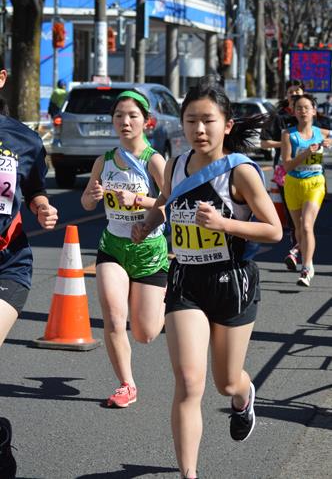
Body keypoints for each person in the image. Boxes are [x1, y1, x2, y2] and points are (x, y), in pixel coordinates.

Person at [132, 77, 282, 479]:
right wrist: (149, 221)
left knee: (225, 382)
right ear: (181, 124)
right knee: (188, 382)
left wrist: (224, 224)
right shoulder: (177, 164)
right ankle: (189, 474)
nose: (199, 129)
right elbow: (166, 202)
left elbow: (274, 230)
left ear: (227, 125)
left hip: (232, 283)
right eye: (191, 120)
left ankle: (243, 396)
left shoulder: (241, 172)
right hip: (185, 282)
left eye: (208, 121)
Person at [81, 89, 168, 408]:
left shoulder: (154, 160)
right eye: (119, 116)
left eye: (132, 116)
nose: (125, 121)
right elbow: (87, 200)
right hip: (113, 247)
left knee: (146, 333)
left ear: (147, 122)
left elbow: (172, 203)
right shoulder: (103, 161)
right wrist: (92, 195)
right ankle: (126, 384)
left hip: (149, 250)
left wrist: (141, 202)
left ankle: (167, 298)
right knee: (114, 318)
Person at [0, 65, 58, 477]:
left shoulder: (23, 139)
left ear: (2, 77)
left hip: (7, 263)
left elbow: (34, 187)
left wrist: (41, 206)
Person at [281, 93, 332, 287]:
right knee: (298, 229)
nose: (302, 111)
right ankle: (298, 252)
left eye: (306, 108)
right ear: (293, 112)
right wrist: (304, 154)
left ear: (313, 111)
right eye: (299, 108)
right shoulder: (288, 134)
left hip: (315, 183)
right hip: (293, 184)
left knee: (308, 226)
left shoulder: (322, 133)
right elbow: (287, 166)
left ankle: (307, 267)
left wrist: (330, 142)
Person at [260, 79, 305, 271]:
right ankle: (296, 250)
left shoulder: (309, 115)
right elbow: (264, 143)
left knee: (307, 219)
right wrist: (286, 143)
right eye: (291, 92)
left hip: (310, 173)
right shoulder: (278, 118)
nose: (294, 95)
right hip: (285, 171)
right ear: (286, 96)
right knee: (294, 217)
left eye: (298, 92)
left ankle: (298, 251)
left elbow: (322, 135)